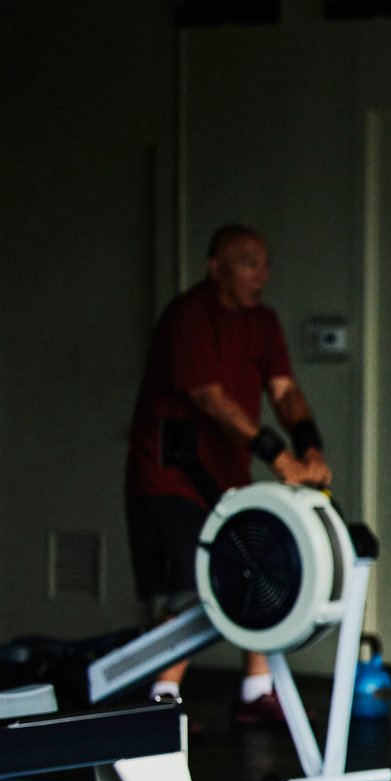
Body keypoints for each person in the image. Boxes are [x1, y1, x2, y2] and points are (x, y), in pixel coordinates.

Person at [125, 223, 333, 723]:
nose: (260, 274)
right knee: (192, 584)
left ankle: (256, 690)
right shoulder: (189, 317)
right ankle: (161, 698)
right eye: (246, 262)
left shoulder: (263, 322)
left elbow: (284, 391)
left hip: (226, 477)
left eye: (264, 263)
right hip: (170, 475)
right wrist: (277, 457)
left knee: (253, 568)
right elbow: (209, 398)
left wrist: (310, 448)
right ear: (215, 267)